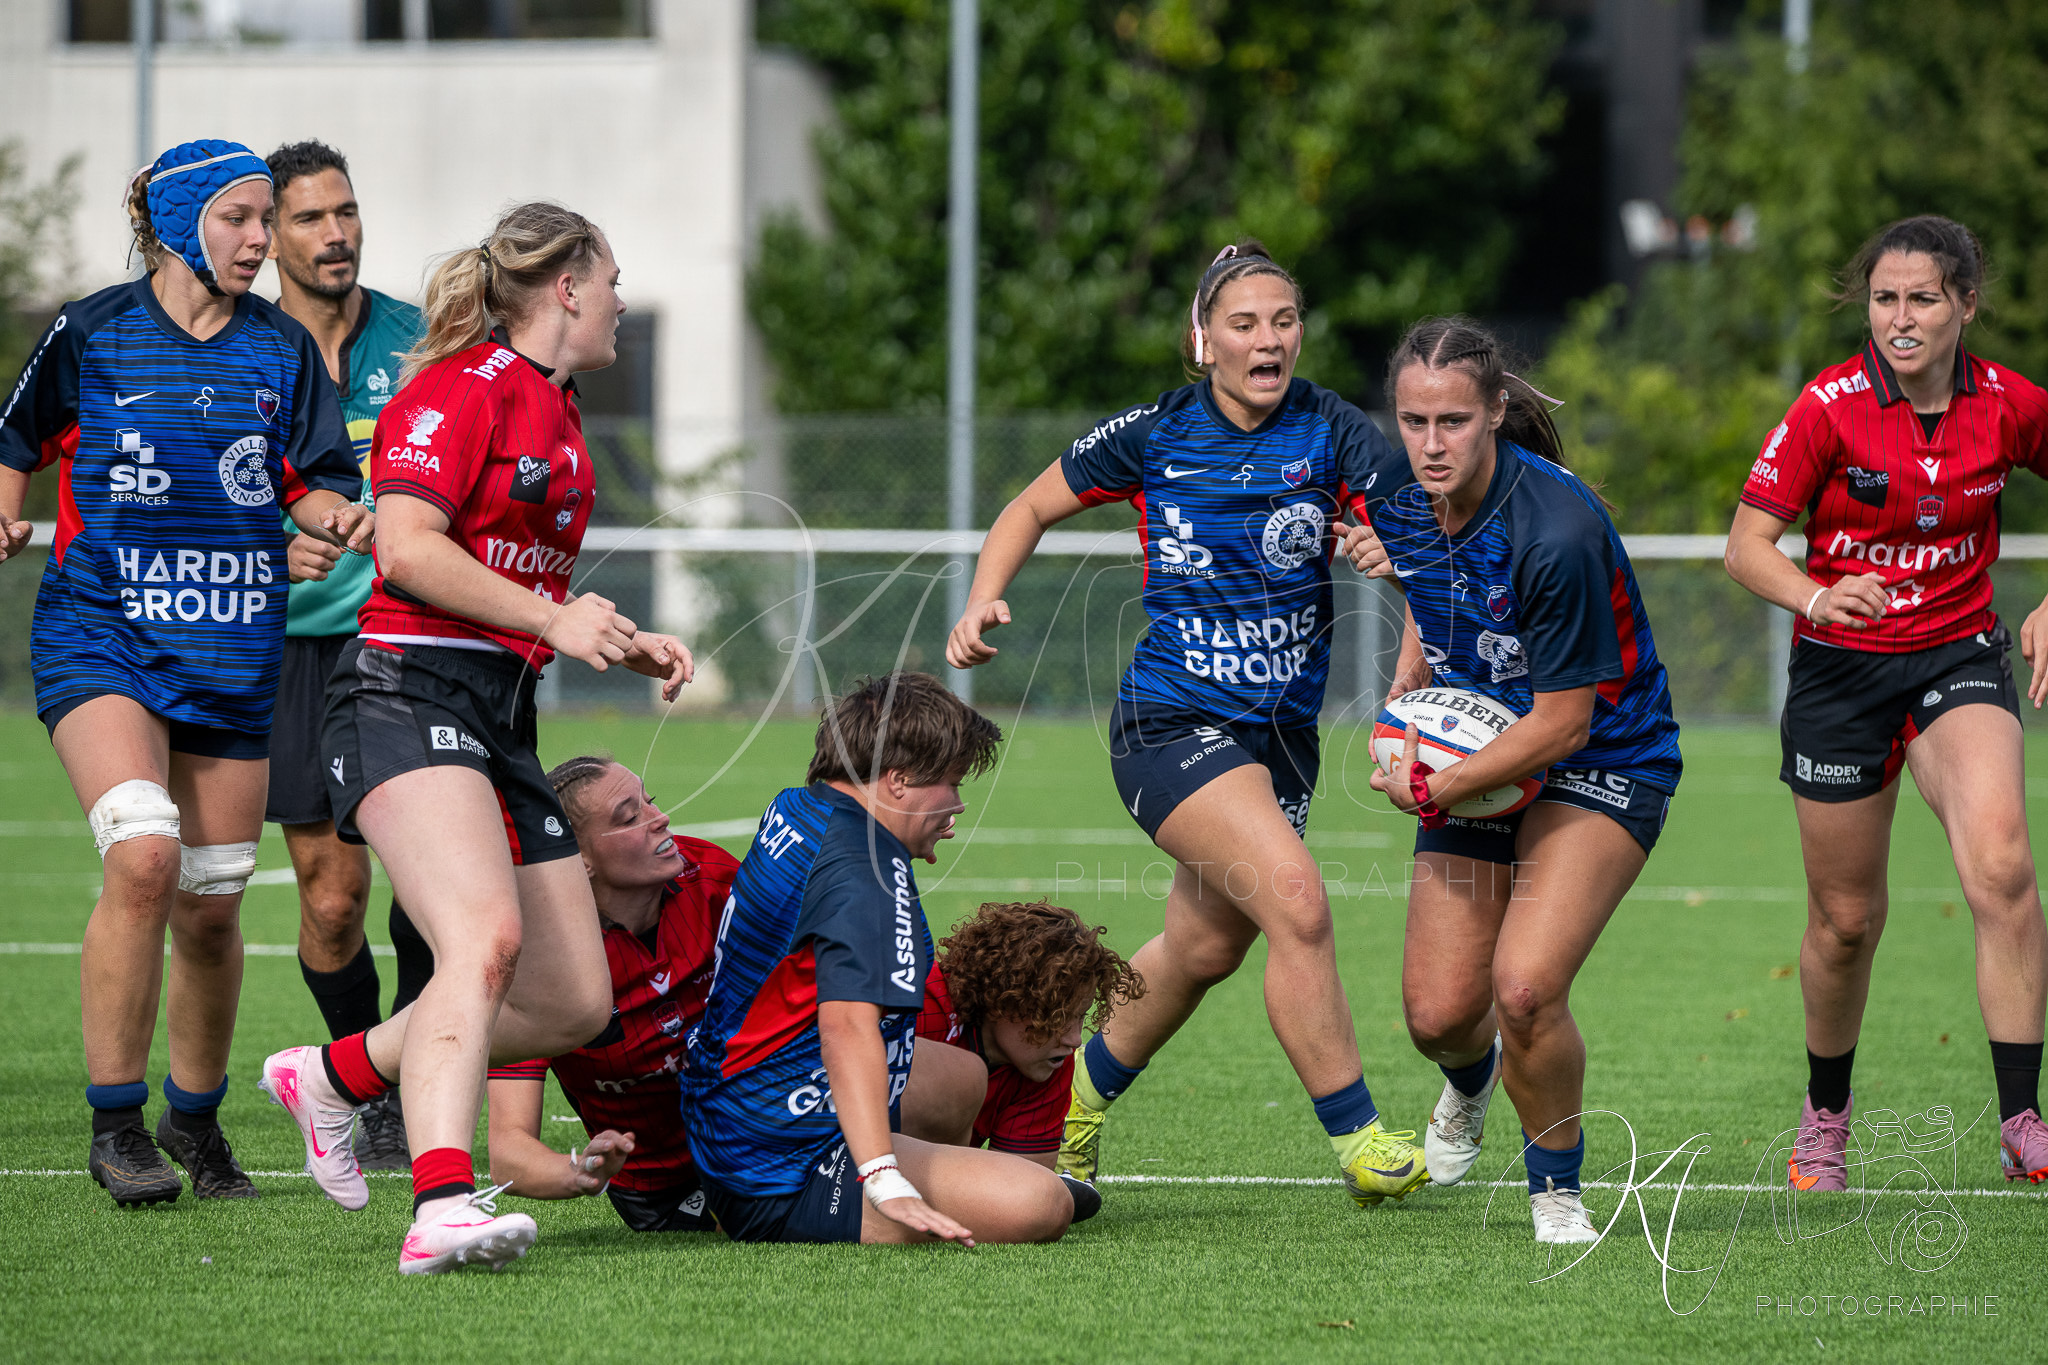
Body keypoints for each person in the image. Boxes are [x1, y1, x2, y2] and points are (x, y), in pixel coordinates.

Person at [945, 240, 1430, 1210]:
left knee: (1205, 947)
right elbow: (1028, 505)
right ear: (1203, 338)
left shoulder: (1336, 432)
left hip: (1280, 741)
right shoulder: (1155, 431)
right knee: (1296, 901)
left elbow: (1430, 545)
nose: (1267, 339)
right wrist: (980, 598)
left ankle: (1070, 1104)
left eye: (1283, 321)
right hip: (1169, 722)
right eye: (1244, 323)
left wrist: (1393, 578)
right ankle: (1359, 1136)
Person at [258, 202, 695, 1274]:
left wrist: (615, 639)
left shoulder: (562, 409)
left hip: (498, 710)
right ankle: (441, 1203)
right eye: (613, 280)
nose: (622, 300)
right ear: (568, 288)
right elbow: (406, 550)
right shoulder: (459, 388)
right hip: (402, 692)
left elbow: (516, 582)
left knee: (572, 1000)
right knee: (482, 943)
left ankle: (336, 1074)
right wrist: (555, 619)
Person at [0, 139, 369, 1207]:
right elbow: (15, 438)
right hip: (101, 633)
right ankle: (116, 1126)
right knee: (145, 854)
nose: (261, 240)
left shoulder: (282, 349)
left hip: (233, 646)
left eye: (266, 220)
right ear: (176, 224)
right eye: (238, 219)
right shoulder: (93, 329)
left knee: (211, 903)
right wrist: (6, 511)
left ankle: (194, 1124)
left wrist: (338, 520)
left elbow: (312, 482)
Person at [1335, 316, 1683, 1243]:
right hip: (1486, 740)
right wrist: (1412, 668)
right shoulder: (1398, 494)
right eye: (1414, 421)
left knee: (1523, 989)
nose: (1430, 444)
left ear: (1494, 412)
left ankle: (1555, 1189)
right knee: (1439, 1014)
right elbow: (1434, 580)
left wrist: (1434, 785)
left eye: (1452, 421)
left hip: (1603, 755)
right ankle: (1471, 1078)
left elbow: (1564, 722)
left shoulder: (1555, 532)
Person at [1724, 215, 2048, 1188]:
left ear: (1964, 306)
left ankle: (2021, 1121)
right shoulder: (1826, 408)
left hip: (1956, 652)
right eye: (1883, 299)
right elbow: (1745, 547)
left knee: (2003, 868)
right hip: (1840, 674)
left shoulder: (2008, 403)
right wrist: (1816, 597)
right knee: (1844, 921)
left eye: (1921, 299)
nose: (1899, 319)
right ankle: (1825, 1114)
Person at [682, 673, 1074, 1246]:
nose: (957, 805)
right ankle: (870, 1188)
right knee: (1041, 1203)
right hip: (777, 1162)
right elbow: (845, 1026)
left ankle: (938, 1179)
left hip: (732, 1099)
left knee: (963, 1077)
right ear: (899, 780)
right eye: (951, 783)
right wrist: (883, 1176)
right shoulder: (867, 873)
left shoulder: (801, 805)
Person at [262, 138, 428, 1169]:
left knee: (430, 887)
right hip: (290, 652)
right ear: (269, 235)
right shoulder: (239, 351)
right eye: (312, 218)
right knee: (331, 900)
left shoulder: (420, 342)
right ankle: (359, 1077)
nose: (337, 235)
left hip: (408, 642)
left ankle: (405, 1088)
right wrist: (265, 547)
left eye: (347, 212)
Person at [482, 755, 738, 1232]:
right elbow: (508, 1154)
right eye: (629, 816)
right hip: (665, 1186)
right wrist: (580, 1172)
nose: (660, 818)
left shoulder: (713, 877)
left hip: (767, 1136)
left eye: (651, 801)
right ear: (579, 859)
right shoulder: (540, 960)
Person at [904, 900, 1140, 1221]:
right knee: (965, 1075)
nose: (1074, 1039)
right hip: (847, 1158)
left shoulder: (1048, 1063)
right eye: (1058, 1018)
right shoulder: (917, 1005)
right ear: (1004, 998)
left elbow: (1018, 1186)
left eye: (1080, 1017)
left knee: (1043, 1203)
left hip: (916, 1180)